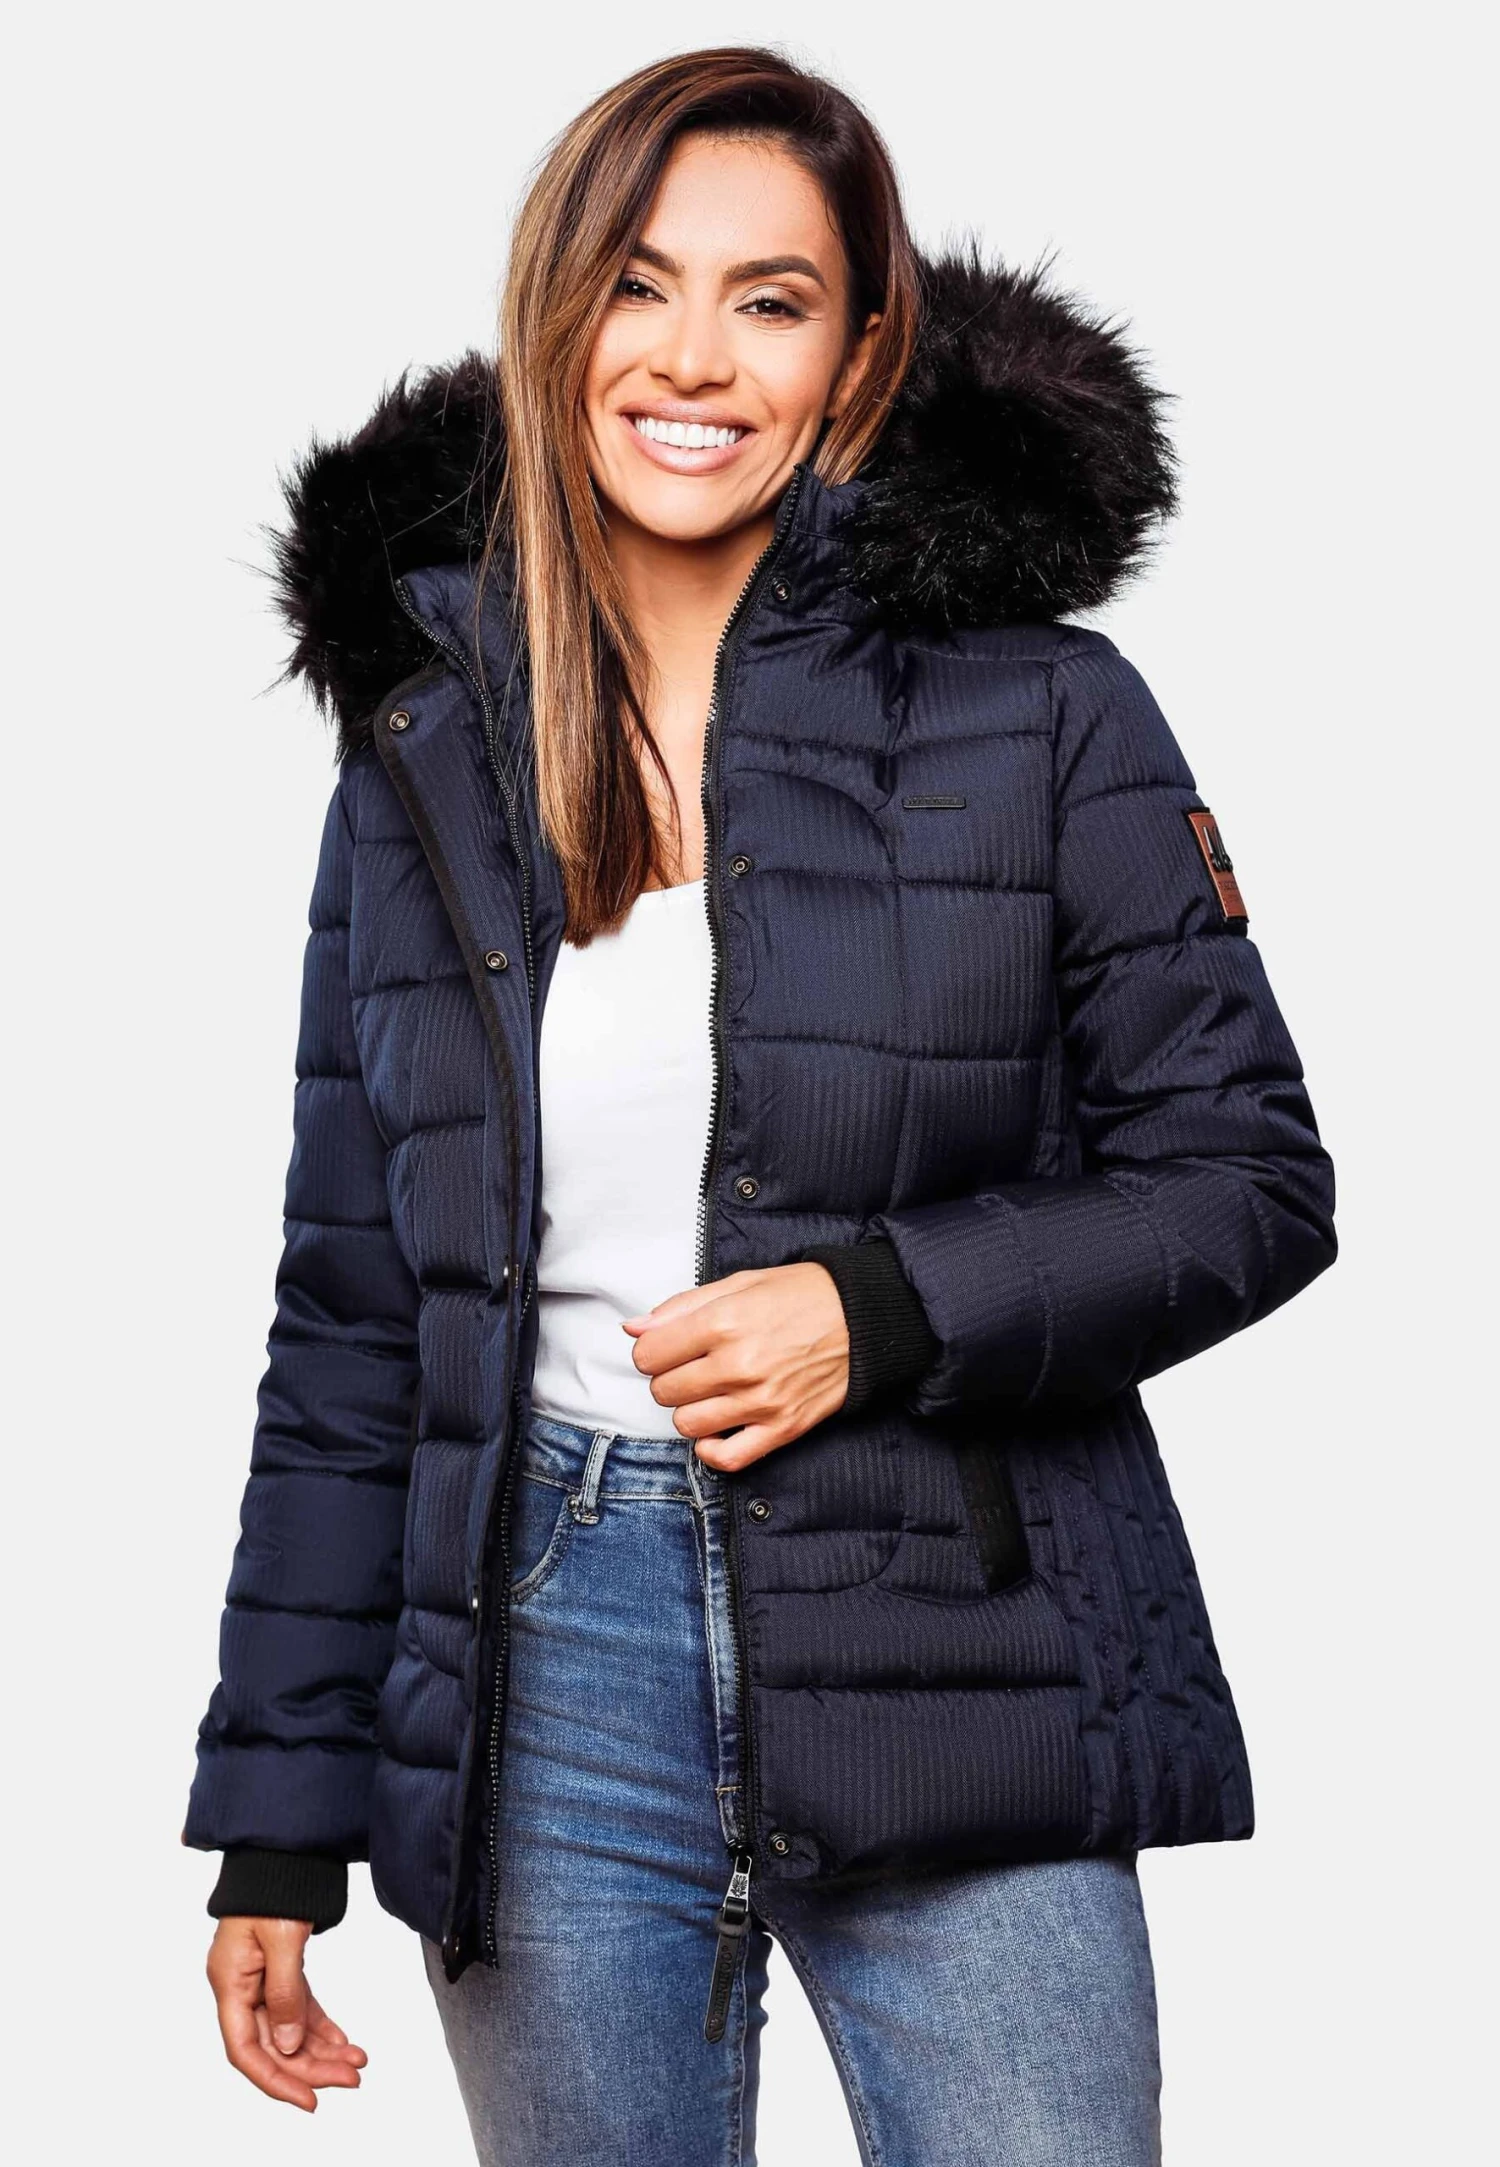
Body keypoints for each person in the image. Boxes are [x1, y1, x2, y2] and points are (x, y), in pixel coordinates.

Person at [184, 45, 1336, 2167]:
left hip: (959, 1632)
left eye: (770, 299)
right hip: (541, 1671)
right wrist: (277, 1811)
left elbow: (1246, 1179)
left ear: (859, 354)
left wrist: (872, 1311)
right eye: (638, 285)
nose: (693, 359)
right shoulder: (429, 751)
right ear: (557, 320)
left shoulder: (1045, 712)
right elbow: (355, 1315)